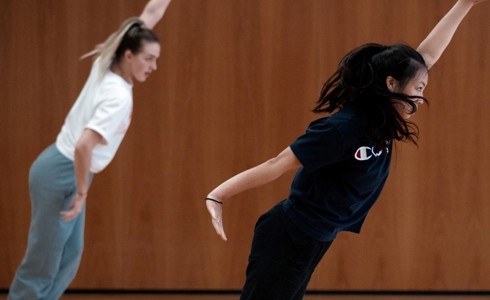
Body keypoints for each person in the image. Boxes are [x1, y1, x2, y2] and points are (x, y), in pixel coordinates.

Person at [205, 0, 488, 299]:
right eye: (418, 89)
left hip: (313, 239)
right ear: (392, 84)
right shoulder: (343, 128)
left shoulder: (383, 118)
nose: (421, 97)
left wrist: (464, 3)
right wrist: (219, 195)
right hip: (288, 236)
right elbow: (276, 164)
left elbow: (427, 56)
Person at [8, 0, 172, 299]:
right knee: (42, 264)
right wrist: (82, 192)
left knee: (69, 258)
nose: (153, 67)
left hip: (65, 171)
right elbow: (84, 147)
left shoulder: (107, 61)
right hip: (62, 173)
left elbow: (151, 13)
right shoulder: (117, 96)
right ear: (129, 54)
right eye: (149, 59)